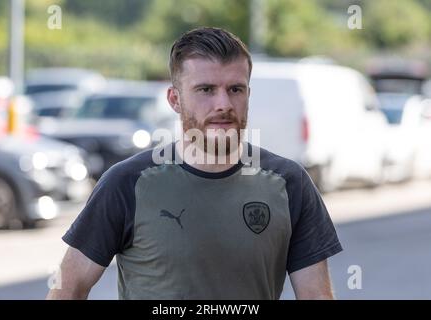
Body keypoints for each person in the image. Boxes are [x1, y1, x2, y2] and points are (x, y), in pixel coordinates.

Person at [47, 27, 342, 300]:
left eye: (235, 89)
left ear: (248, 95)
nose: (223, 104)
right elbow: (67, 289)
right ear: (175, 99)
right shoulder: (126, 183)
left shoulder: (290, 183)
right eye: (206, 90)